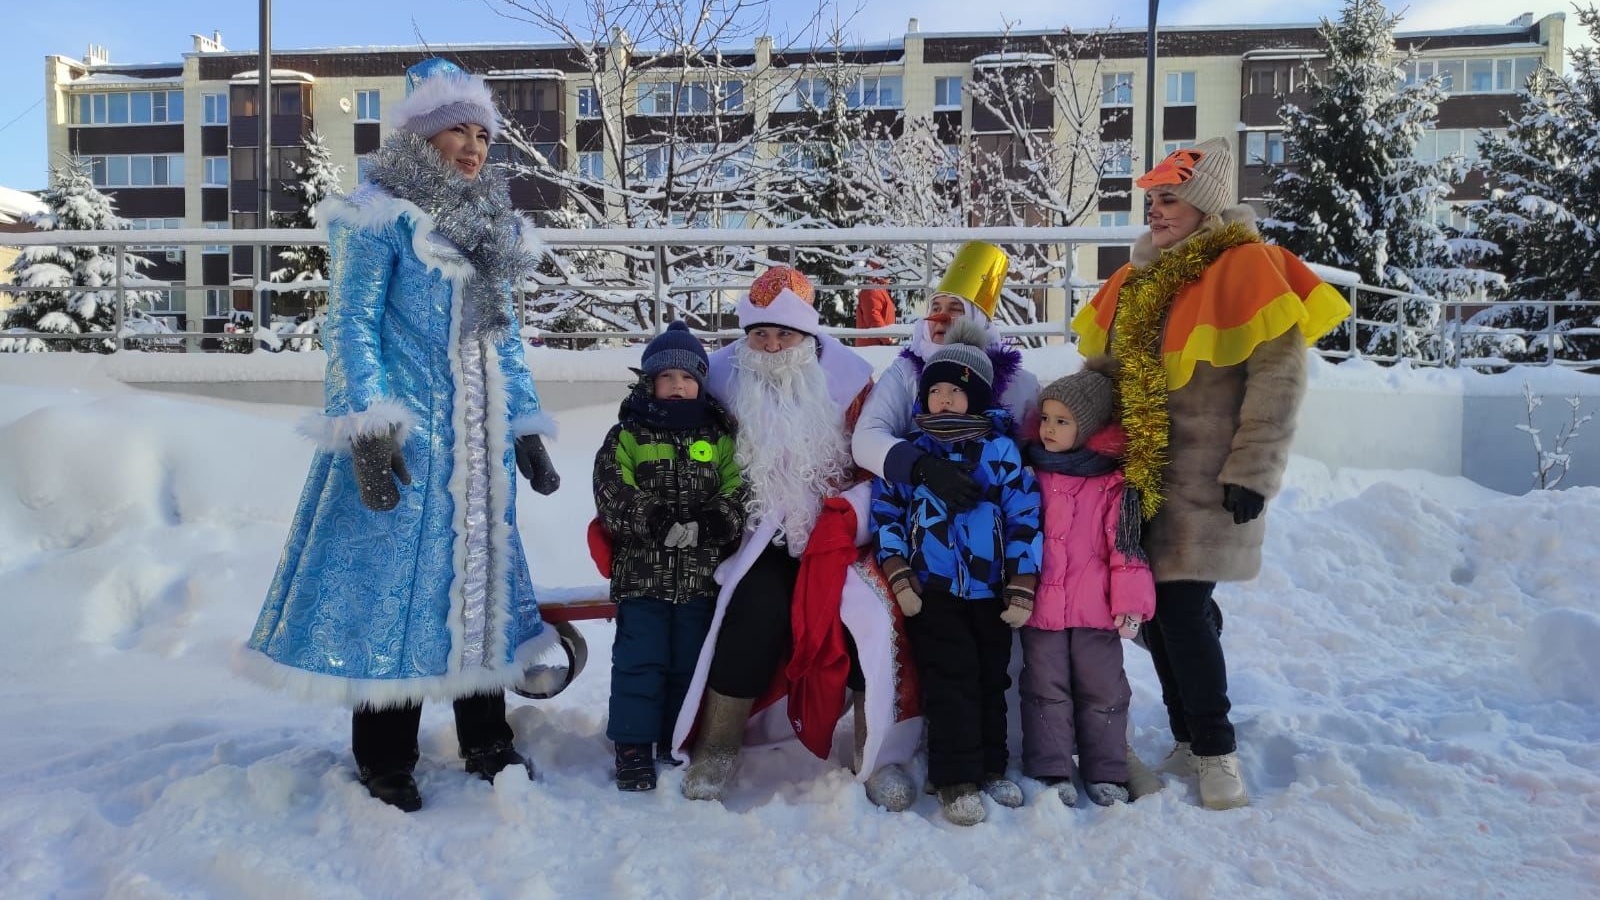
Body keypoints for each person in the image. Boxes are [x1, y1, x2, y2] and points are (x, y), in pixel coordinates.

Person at [240, 58, 561, 813]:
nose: (476, 147)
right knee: (396, 596)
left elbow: (503, 339)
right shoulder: (376, 216)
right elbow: (349, 324)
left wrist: (525, 423)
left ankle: (487, 738)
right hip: (410, 443)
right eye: (460, 130)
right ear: (422, 136)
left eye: (485, 134)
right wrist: (368, 425)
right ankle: (385, 757)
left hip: (479, 454)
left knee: (479, 588)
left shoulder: (491, 230)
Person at [1072, 136, 1351, 810]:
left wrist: (1254, 468)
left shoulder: (1251, 266)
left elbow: (1278, 377)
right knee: (1161, 614)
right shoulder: (1134, 281)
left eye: (1171, 198)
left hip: (1209, 475)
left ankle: (1218, 751)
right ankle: (1190, 739)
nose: (1157, 210)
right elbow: (1101, 376)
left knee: (1183, 609)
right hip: (1141, 474)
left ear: (1205, 205)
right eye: (1153, 199)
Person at [671, 266, 923, 811]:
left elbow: (870, 462)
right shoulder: (718, 377)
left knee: (873, 617)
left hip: (839, 534)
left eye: (784, 335)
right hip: (753, 534)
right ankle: (717, 746)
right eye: (760, 334)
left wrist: (848, 518)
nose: (772, 345)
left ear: (809, 336)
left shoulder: (853, 381)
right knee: (754, 609)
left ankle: (878, 756)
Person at [870, 320, 1042, 826]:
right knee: (951, 678)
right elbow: (887, 518)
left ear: (978, 397)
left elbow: (1025, 518)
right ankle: (955, 778)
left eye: (955, 391)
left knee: (991, 678)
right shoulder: (912, 452)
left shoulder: (1000, 452)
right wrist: (900, 573)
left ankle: (992, 767)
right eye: (935, 390)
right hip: (935, 590)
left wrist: (1022, 581)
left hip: (990, 591)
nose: (943, 399)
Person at [592, 321, 746, 792]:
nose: (678, 386)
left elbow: (738, 487)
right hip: (643, 575)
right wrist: (654, 519)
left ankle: (673, 736)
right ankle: (633, 746)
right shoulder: (628, 435)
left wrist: (716, 522)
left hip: (700, 577)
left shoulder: (719, 437)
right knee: (641, 659)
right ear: (649, 383)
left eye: (688, 378)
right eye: (667, 378)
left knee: (689, 661)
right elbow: (612, 490)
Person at [1017, 360, 1156, 808]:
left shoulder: (1112, 485)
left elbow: (1127, 551)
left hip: (1095, 611)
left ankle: (1107, 768)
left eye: (1063, 422)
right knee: (1044, 689)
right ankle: (1052, 767)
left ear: (1091, 428)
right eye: (1046, 420)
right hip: (1041, 610)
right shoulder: (1029, 475)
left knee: (1104, 689)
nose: (1050, 430)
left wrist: (1131, 605)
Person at [853, 241, 1040, 513]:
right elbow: (866, 438)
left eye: (955, 308)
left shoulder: (1020, 384)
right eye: (935, 306)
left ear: (978, 320)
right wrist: (922, 467)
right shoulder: (905, 373)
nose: (940, 318)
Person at [853, 268, 896, 347]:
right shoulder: (872, 290)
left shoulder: (879, 290)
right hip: (873, 346)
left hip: (877, 344)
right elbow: (873, 318)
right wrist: (887, 340)